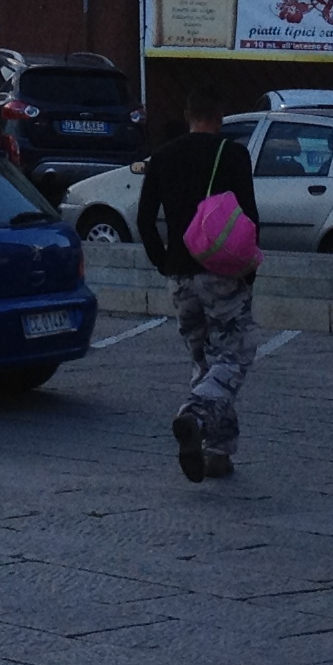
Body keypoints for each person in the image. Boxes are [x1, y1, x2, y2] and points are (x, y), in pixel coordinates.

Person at [137, 89, 261, 483]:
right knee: (233, 357)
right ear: (220, 116)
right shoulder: (233, 155)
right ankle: (194, 415)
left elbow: (143, 219)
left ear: (188, 114)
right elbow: (249, 218)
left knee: (203, 361)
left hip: (181, 274)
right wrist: (247, 272)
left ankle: (218, 451)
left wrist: (163, 261)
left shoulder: (164, 157)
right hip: (222, 273)